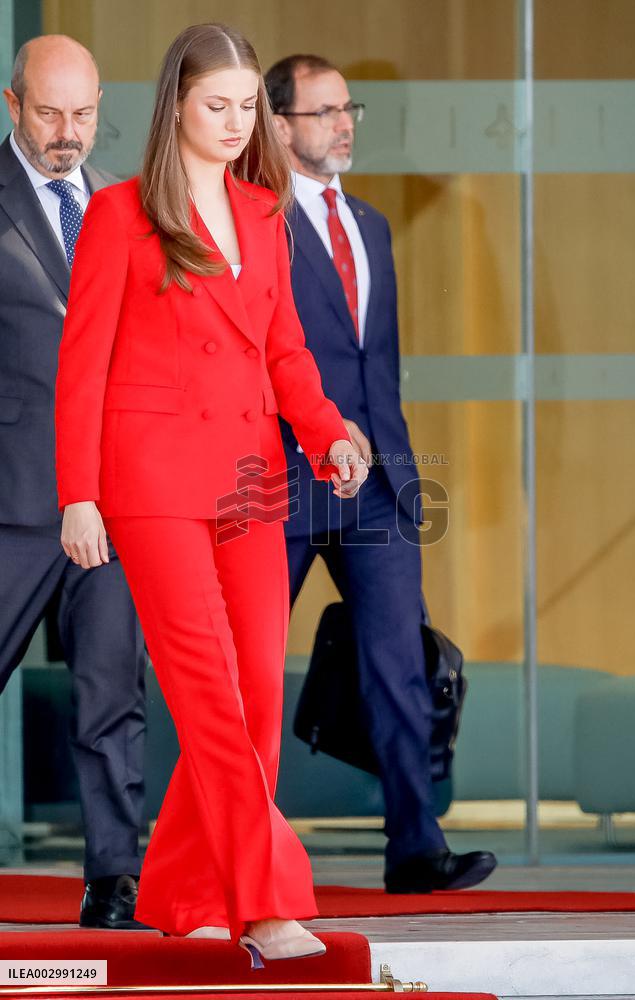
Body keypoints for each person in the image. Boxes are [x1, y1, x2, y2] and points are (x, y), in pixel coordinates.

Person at [54, 23, 366, 963]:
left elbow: (285, 352)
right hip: (149, 487)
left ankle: (186, 889)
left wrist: (328, 430)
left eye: (244, 108)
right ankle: (267, 905)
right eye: (215, 106)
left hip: (249, 480)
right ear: (176, 107)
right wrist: (80, 496)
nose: (234, 123)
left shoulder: (267, 215)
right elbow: (83, 370)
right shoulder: (118, 214)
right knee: (211, 702)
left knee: (258, 699)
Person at [265, 55, 497, 894]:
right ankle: (235, 849)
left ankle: (414, 848)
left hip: (379, 485)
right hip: (281, 478)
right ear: (280, 124)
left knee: (399, 663)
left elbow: (377, 366)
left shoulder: (369, 225)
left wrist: (395, 469)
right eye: (322, 111)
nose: (342, 123)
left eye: (346, 108)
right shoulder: (254, 222)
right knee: (248, 670)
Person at [0, 34, 147, 929]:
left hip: (110, 498)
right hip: (12, 496)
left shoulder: (122, 209)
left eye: (84, 114)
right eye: (50, 114)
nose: (68, 133)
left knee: (110, 695)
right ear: (12, 106)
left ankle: (113, 878)